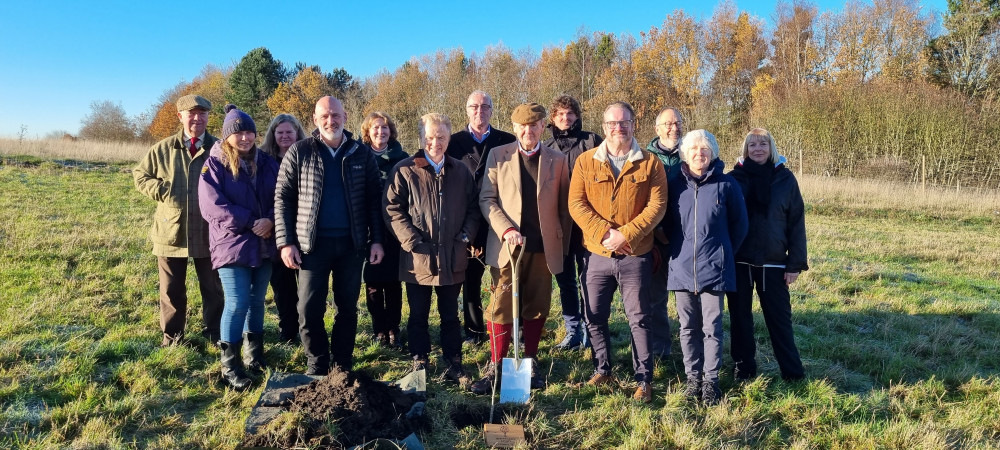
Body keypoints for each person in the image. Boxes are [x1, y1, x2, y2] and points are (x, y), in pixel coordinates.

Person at [274, 96, 385, 376]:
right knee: (309, 309)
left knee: (347, 307)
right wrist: (286, 242)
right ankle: (317, 362)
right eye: (324, 116)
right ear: (314, 119)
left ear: (345, 116)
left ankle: (343, 362)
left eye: (335, 115)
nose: (330, 121)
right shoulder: (299, 152)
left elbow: (375, 201)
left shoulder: (361, 154)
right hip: (311, 246)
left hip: (352, 245)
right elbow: (283, 198)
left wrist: (377, 240)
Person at [568, 101, 668, 403]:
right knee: (594, 316)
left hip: (635, 254)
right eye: (612, 123)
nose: (618, 127)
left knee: (639, 317)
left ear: (634, 125)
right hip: (596, 253)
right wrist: (604, 233)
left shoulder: (651, 163)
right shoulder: (586, 162)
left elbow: (657, 206)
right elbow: (576, 204)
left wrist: (625, 233)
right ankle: (603, 368)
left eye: (624, 122)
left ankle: (643, 378)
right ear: (604, 126)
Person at [471, 103, 571, 394]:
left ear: (543, 127)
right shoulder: (497, 156)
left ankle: (529, 361)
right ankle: (496, 364)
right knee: (500, 306)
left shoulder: (558, 160)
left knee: (536, 307)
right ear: (515, 128)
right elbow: (487, 199)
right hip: (507, 248)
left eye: (534, 125)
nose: (528, 131)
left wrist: (561, 244)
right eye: (522, 126)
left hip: (542, 248)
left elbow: (565, 207)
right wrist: (507, 229)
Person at [384, 112, 479, 385]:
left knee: (450, 314)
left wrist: (465, 236)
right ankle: (420, 359)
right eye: (429, 137)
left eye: (440, 137)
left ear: (449, 138)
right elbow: (392, 208)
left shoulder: (461, 171)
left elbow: (473, 208)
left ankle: (453, 361)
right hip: (418, 257)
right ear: (421, 138)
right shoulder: (405, 169)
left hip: (452, 255)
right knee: (418, 313)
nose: (435, 143)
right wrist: (411, 241)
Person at [133, 94, 224, 347]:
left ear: (208, 117)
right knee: (171, 291)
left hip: (209, 231)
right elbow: (140, 176)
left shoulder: (218, 148)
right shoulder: (163, 149)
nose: (197, 118)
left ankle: (215, 334)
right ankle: (172, 338)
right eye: (191, 113)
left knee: (213, 288)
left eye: (202, 113)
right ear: (180, 116)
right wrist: (162, 191)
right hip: (170, 231)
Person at [199, 105, 279, 390]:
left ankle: (254, 356)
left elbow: (281, 195)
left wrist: (270, 220)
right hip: (232, 244)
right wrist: (250, 221)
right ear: (227, 136)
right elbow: (213, 207)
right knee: (237, 303)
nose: (245, 138)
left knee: (258, 301)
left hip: (265, 242)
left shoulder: (268, 162)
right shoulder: (215, 165)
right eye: (238, 133)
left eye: (249, 132)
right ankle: (230, 367)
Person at [665, 129, 748, 406]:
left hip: (716, 269)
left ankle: (711, 382)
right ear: (684, 155)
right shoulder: (674, 186)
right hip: (681, 269)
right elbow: (665, 226)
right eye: (694, 150)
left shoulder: (727, 185)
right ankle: (693, 379)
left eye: (705, 150)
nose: (699, 154)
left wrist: (722, 252)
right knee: (687, 328)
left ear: (712, 154)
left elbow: (740, 226)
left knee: (712, 327)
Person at [727, 128, 807, 382]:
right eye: (752, 144)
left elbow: (796, 222)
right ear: (745, 149)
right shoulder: (733, 179)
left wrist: (794, 263)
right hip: (739, 261)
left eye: (763, 144)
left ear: (771, 148)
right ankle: (744, 368)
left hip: (773, 262)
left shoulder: (785, 180)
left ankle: (792, 372)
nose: (758, 148)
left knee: (779, 320)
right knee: (740, 319)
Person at [445, 90, 516, 345]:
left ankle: (505, 326)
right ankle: (474, 331)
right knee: (471, 277)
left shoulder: (507, 140)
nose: (479, 111)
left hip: (502, 218)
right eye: (474, 106)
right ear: (466, 110)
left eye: (485, 106)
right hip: (467, 220)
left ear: (491, 110)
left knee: (505, 277)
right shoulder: (452, 142)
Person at [542, 94, 602, 351]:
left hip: (588, 221)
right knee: (564, 278)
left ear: (577, 115)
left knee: (588, 278)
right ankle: (573, 330)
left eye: (569, 113)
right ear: (553, 118)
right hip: (559, 223)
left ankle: (593, 330)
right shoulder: (546, 147)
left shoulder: (593, 141)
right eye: (559, 114)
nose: (565, 118)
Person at [360, 112, 408, 348]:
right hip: (366, 226)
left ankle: (393, 328)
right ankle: (378, 327)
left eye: (385, 128)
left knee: (393, 282)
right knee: (372, 281)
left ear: (392, 131)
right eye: (376, 128)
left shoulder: (403, 158)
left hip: (394, 228)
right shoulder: (357, 156)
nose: (381, 132)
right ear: (368, 131)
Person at [259, 113, 308, 343]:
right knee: (282, 285)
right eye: (280, 133)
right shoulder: (264, 161)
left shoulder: (309, 155)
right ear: (273, 135)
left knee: (307, 286)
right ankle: (287, 330)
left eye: (290, 132)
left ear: (298, 133)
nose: (285, 136)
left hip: (306, 230)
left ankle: (307, 328)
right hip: (277, 231)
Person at [645, 107, 686, 359]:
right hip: (654, 240)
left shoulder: (693, 152)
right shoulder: (643, 157)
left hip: (687, 239)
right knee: (655, 297)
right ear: (657, 129)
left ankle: (691, 347)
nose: (674, 127)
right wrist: (656, 229)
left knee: (688, 299)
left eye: (678, 122)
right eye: (668, 123)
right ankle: (660, 349)